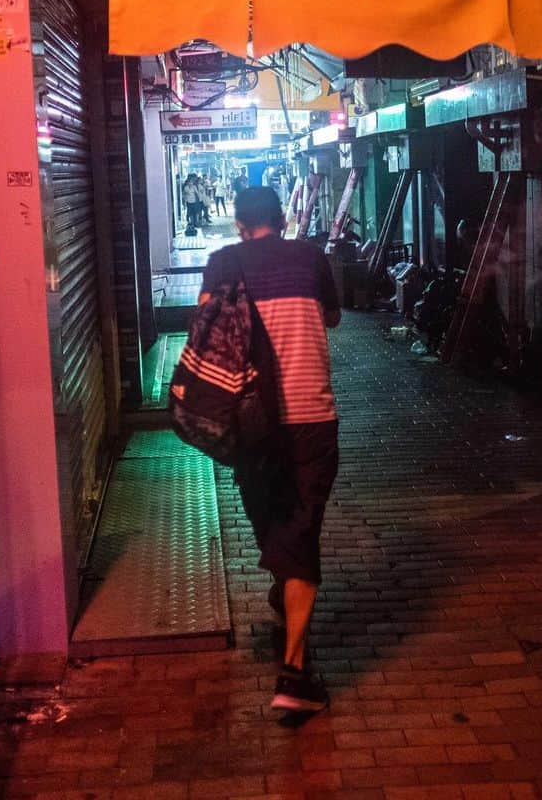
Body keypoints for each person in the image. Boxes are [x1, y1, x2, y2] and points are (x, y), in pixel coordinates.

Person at [198, 187, 341, 713]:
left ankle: (295, 670)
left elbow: (206, 329)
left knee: (281, 529)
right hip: (311, 419)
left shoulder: (222, 265)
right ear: (281, 220)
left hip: (251, 426)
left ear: (239, 224)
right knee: (300, 532)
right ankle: (295, 671)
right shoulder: (310, 257)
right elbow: (332, 318)